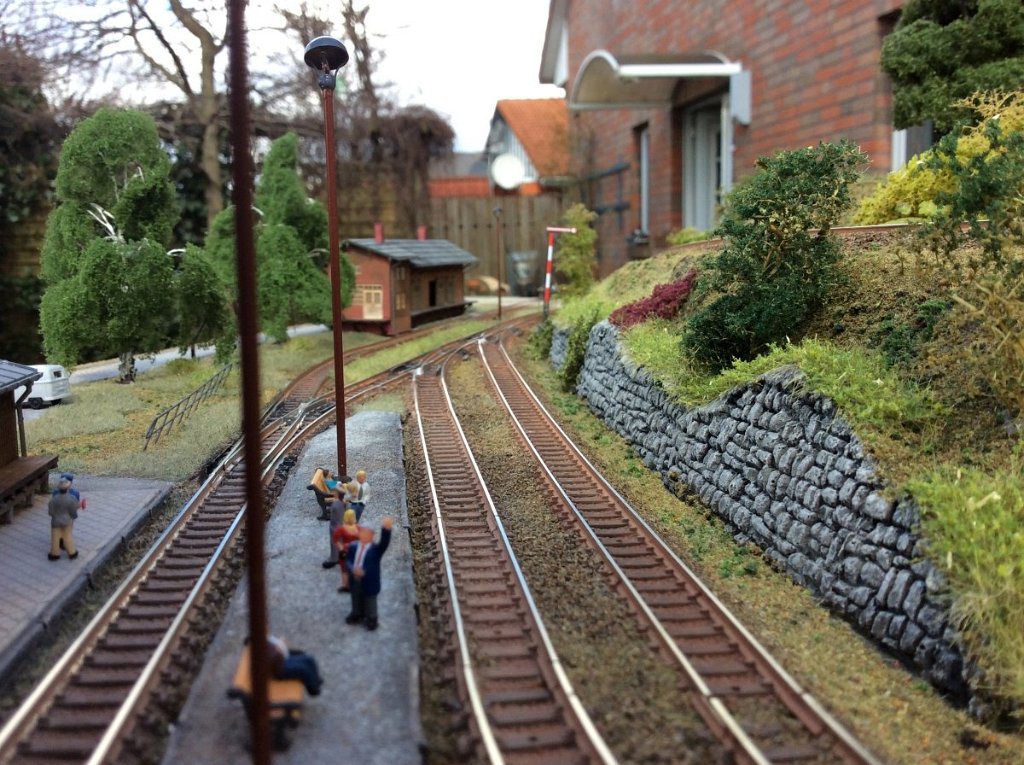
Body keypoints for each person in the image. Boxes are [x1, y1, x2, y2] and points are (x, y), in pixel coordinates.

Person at [345, 517, 393, 631]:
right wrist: (352, 569)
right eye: (362, 532)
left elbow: (384, 543)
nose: (364, 535)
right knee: (355, 597)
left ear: (372, 536)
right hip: (355, 579)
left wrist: (386, 529)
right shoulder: (353, 546)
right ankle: (357, 614)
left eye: (367, 533)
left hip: (369, 581)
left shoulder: (375, 550)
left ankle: (372, 618)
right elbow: (348, 560)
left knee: (370, 601)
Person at [321, 481, 351, 569]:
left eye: (335, 491)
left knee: (334, 543)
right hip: (340, 524)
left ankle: (334, 559)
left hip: (335, 526)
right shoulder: (342, 503)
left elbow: (335, 517)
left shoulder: (336, 504)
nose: (333, 492)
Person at [48, 479, 80, 561]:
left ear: (59, 489)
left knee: (55, 538)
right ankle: (72, 553)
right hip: (67, 521)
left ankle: (55, 554)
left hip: (55, 522)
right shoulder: (72, 499)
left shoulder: (53, 499)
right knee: (68, 537)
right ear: (68, 488)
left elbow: (50, 512)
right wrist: (73, 517)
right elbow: (73, 511)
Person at [331, 508, 361, 593]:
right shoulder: (343, 528)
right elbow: (335, 539)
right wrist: (340, 548)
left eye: (353, 516)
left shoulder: (357, 527)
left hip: (353, 550)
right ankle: (346, 586)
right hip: (347, 550)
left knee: (353, 568)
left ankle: (351, 585)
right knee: (345, 569)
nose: (353, 518)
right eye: (352, 516)